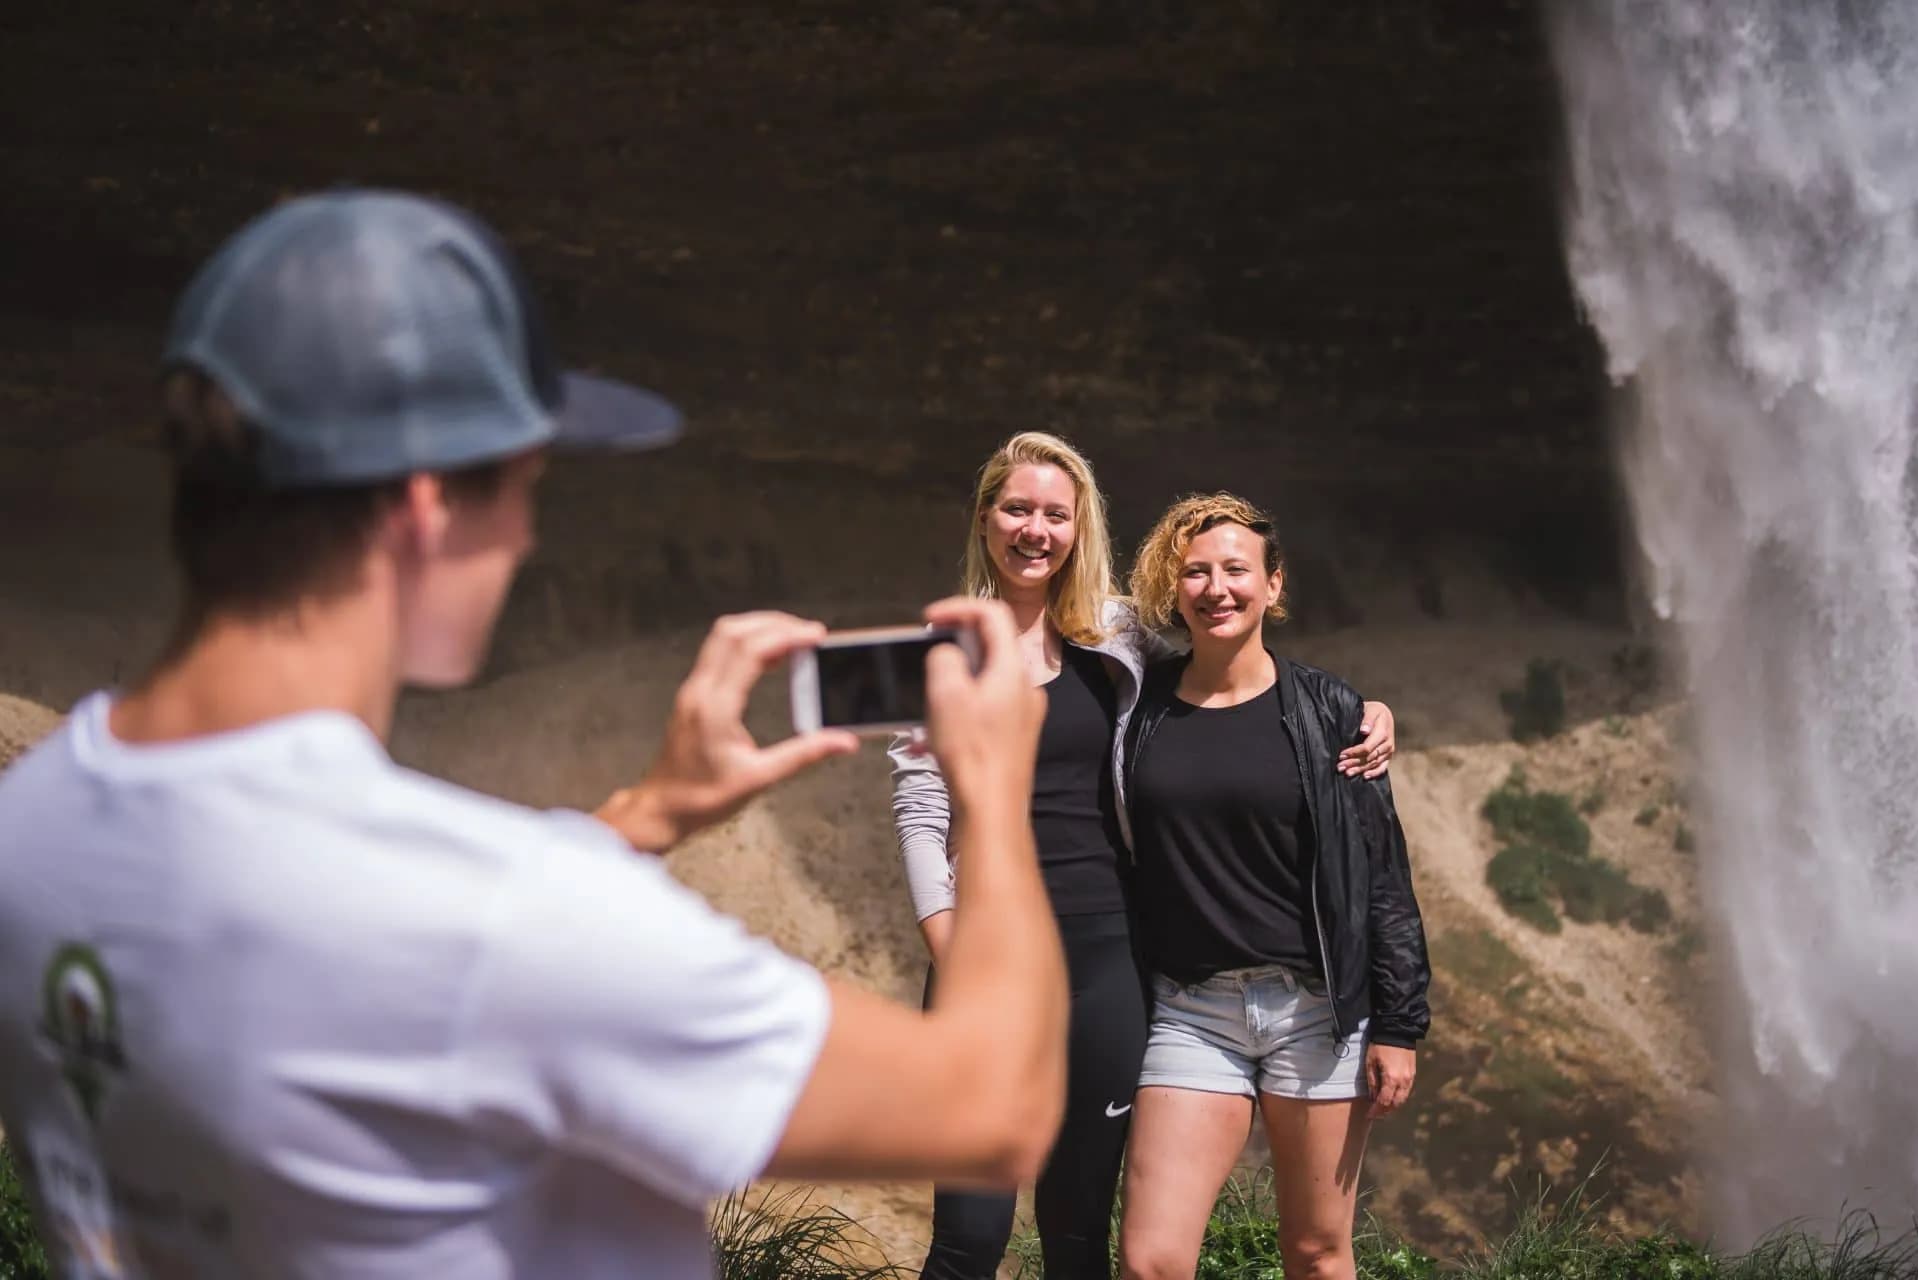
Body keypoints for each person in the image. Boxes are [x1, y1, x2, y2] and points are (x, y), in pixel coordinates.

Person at [0, 190, 1073, 1280]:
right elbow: (993, 1110)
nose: (523, 537)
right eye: (524, 488)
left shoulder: (31, 825)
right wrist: (993, 790)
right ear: (425, 507)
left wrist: (647, 811)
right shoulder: (513, 920)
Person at [890, 436, 1399, 1279]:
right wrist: (952, 951)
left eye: (1056, 514)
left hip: (1106, 958)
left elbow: (1229, 671)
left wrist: (1360, 708)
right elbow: (919, 811)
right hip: (984, 951)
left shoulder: (1117, 633)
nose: (1036, 531)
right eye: (1017, 510)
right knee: (968, 1238)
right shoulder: (941, 650)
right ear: (984, 520)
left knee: (1078, 1229)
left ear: (1079, 526)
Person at [1114, 493, 1430, 1280]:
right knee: (1152, 1260)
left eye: (1236, 569)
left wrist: (1399, 1025)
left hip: (1316, 1014)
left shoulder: (1332, 710)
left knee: (1317, 1253)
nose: (1216, 588)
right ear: (1173, 587)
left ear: (1273, 584)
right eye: (1195, 572)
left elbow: (1381, 874)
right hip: (1190, 1011)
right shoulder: (1138, 707)